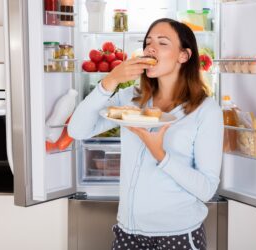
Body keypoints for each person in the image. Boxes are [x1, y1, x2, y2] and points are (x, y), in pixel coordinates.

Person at [68, 18, 223, 250]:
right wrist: (110, 81)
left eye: (162, 42)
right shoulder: (131, 97)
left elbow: (206, 189)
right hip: (127, 231)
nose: (150, 48)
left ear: (184, 55)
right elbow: (77, 130)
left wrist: (160, 154)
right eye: (147, 42)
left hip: (177, 235)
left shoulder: (206, 110)